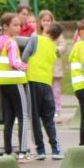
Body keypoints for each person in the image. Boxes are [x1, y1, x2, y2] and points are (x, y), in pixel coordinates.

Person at [0, 13, 31, 162]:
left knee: (8, 118)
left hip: (2, 83)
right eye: (15, 25)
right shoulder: (12, 42)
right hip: (16, 82)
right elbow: (13, 62)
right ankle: (22, 152)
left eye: (19, 25)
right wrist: (25, 66)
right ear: (5, 26)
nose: (18, 28)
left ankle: (7, 151)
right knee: (22, 117)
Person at [26, 21, 63, 160]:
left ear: (46, 29)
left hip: (32, 81)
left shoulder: (35, 38)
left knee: (35, 117)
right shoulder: (53, 48)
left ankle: (40, 150)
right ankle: (55, 149)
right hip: (47, 84)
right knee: (48, 118)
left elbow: (26, 54)